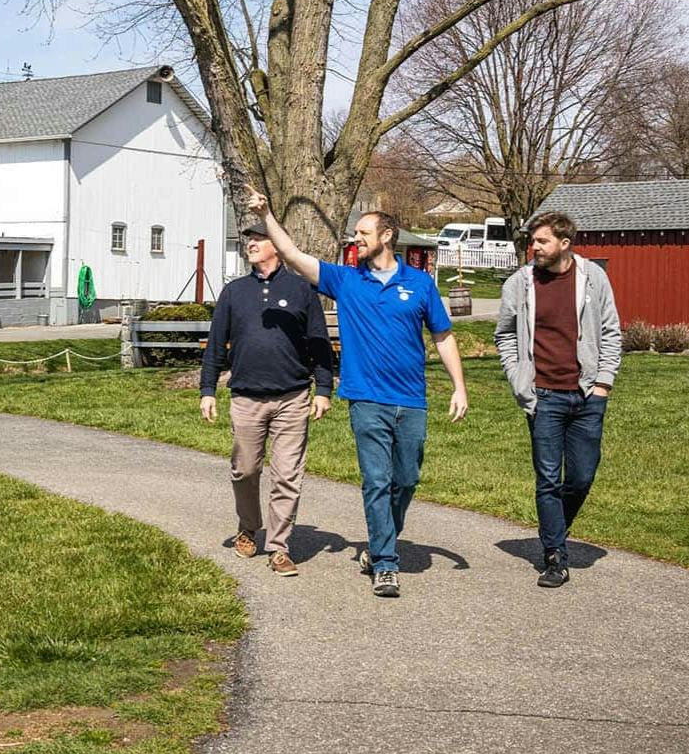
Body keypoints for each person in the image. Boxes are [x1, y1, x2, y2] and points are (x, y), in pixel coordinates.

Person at [244, 186, 468, 598]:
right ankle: (385, 561)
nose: (356, 239)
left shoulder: (419, 285)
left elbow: (443, 336)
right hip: (365, 398)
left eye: (364, 233)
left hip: (411, 400)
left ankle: (382, 540)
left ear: (387, 235)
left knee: (407, 479)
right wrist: (268, 213)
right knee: (377, 480)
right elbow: (293, 256)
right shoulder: (346, 280)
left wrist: (459, 386)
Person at [495, 212, 622, 588]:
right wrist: (520, 379)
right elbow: (504, 335)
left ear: (565, 244)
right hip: (543, 396)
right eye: (533, 241)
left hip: (586, 395)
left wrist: (603, 384)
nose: (534, 248)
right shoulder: (521, 283)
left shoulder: (592, 278)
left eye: (542, 242)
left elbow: (611, 331)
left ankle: (553, 531)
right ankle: (555, 556)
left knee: (581, 477)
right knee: (548, 478)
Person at [199, 222, 334, 577]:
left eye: (259, 239)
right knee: (244, 471)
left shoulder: (302, 290)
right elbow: (216, 344)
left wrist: (323, 389)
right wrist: (208, 389)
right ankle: (248, 526)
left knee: (288, 475)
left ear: (277, 245)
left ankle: (279, 547)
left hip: (292, 397)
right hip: (246, 397)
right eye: (249, 241)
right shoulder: (234, 292)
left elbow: (319, 341)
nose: (251, 245)